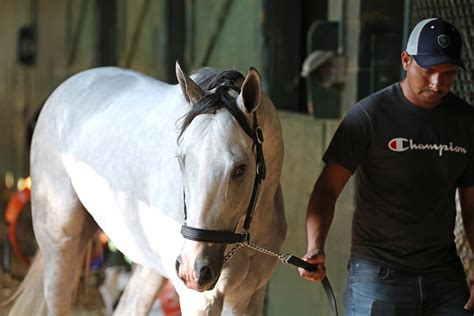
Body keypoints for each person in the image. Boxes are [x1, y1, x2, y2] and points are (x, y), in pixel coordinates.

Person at [299, 17, 474, 315]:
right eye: (428, 70)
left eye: (447, 74)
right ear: (406, 60)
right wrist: (315, 246)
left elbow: (471, 207)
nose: (437, 83)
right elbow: (327, 188)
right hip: (377, 274)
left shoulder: (466, 122)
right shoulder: (368, 116)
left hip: (444, 273)